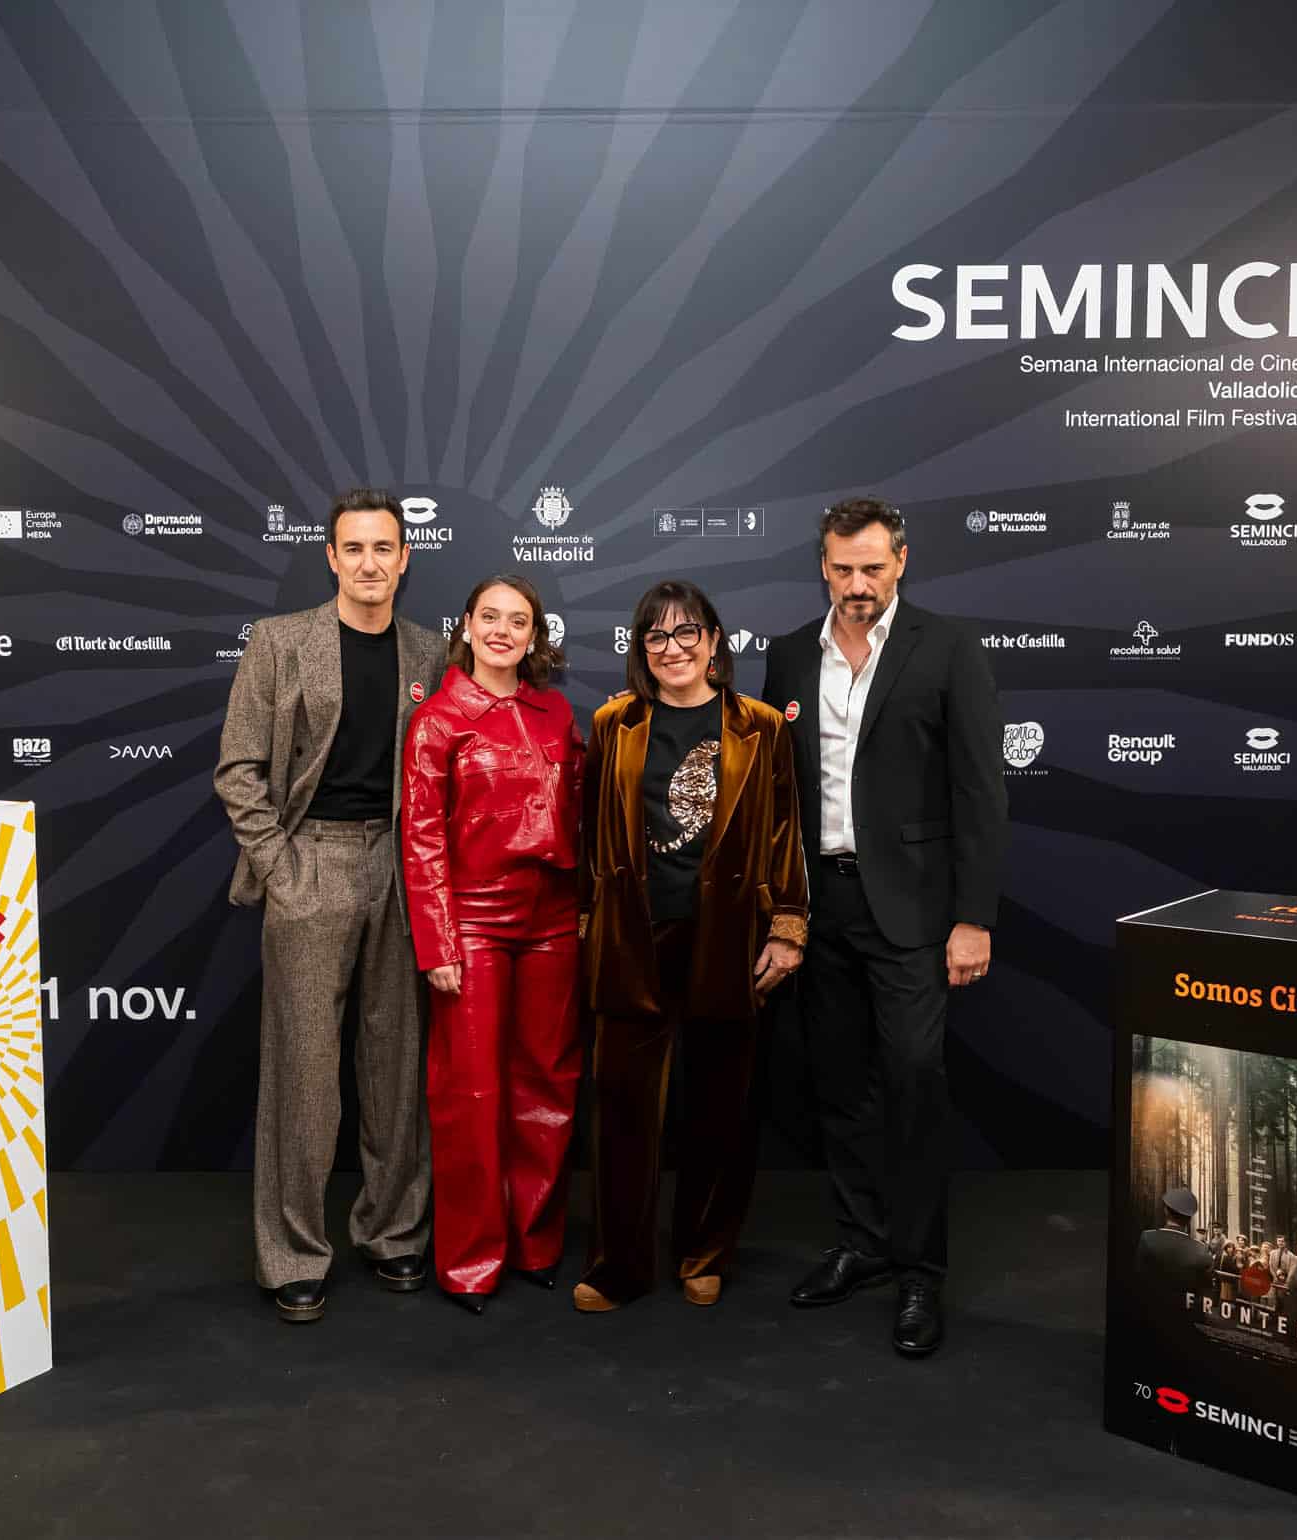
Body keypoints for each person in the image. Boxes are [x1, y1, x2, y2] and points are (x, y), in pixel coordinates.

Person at [764, 497, 1007, 1358]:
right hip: (819, 906)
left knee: (912, 1081)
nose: (857, 584)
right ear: (822, 566)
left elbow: (980, 792)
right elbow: (775, 792)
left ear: (901, 560)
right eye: (842, 569)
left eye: (872, 567)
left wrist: (973, 917)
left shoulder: (947, 649)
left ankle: (919, 1270)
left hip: (913, 910)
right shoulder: (791, 655)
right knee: (840, 1085)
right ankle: (862, 1242)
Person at [213, 487, 447, 1323]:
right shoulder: (281, 643)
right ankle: (294, 1254)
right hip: (310, 859)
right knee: (305, 1073)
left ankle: (392, 1232)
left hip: (403, 867)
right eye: (354, 548)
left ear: (405, 558)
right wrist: (282, 868)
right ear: (331, 557)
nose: (369, 563)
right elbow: (238, 769)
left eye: (384, 548)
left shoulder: (431, 652)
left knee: (398, 1065)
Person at [573, 580, 808, 1312]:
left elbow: (785, 833)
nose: (671, 648)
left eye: (686, 633)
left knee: (720, 1106)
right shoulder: (613, 724)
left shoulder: (761, 727)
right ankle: (619, 1265)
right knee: (622, 1110)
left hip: (728, 938)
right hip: (633, 937)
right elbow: (589, 834)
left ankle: (705, 1252)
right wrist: (588, 922)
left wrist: (788, 927)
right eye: (656, 636)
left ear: (713, 642)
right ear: (640, 648)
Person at [399, 575, 585, 1314]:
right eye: (491, 617)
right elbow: (422, 837)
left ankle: (535, 1244)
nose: (503, 631)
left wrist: (585, 911)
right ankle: (471, 1261)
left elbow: (582, 815)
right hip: (473, 921)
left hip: (553, 919)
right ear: (467, 626)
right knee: (470, 1093)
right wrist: (438, 942)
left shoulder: (556, 712)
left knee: (548, 1084)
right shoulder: (438, 719)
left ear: (535, 636)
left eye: (519, 621)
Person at [1133, 1187, 1213, 1317]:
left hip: (1148, 1315)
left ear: (1165, 1211)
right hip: (1184, 1320)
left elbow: (1138, 1281)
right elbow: (1205, 1296)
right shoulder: (1201, 1250)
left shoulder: (1147, 1238)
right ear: (1190, 1218)